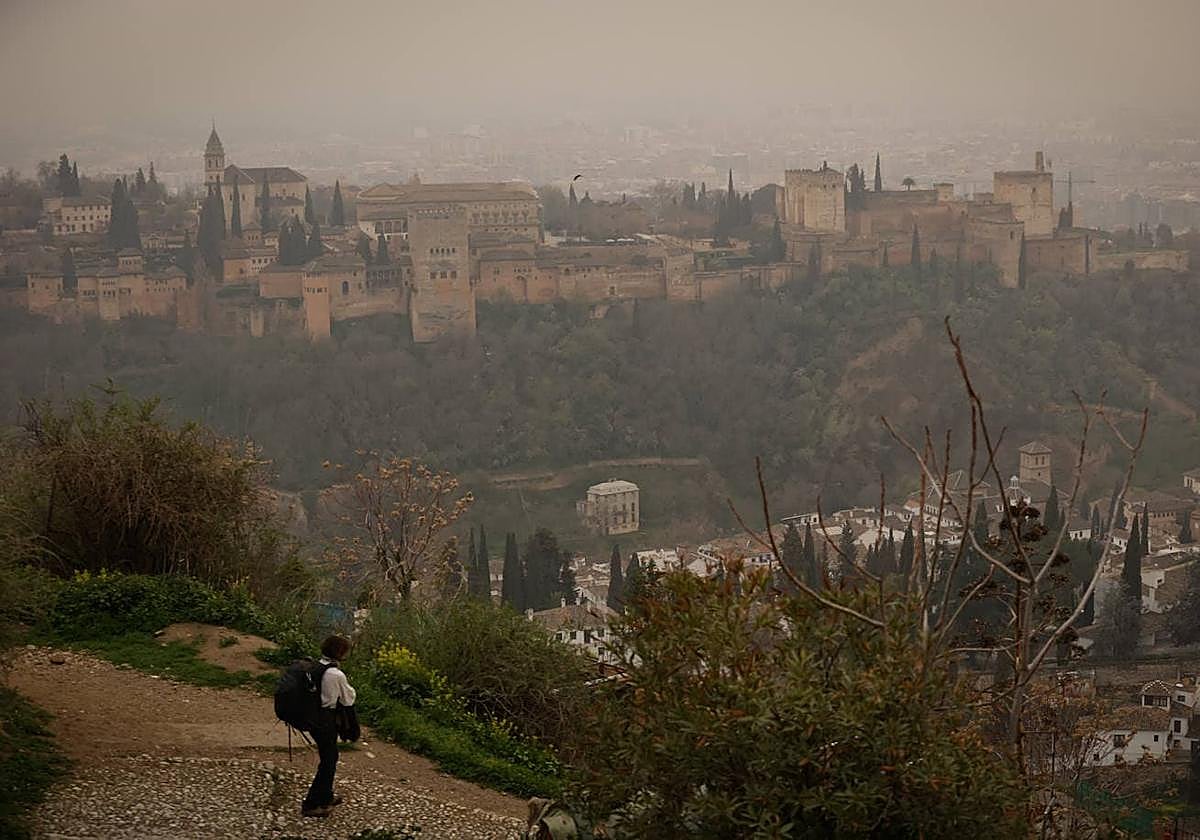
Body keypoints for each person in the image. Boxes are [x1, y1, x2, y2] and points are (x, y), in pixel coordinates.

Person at [302, 635, 357, 818]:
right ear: (340, 653)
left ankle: (326, 796)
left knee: (329, 758)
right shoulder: (336, 674)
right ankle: (311, 804)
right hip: (326, 720)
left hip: (313, 717)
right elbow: (348, 699)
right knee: (328, 761)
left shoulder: (316, 666)